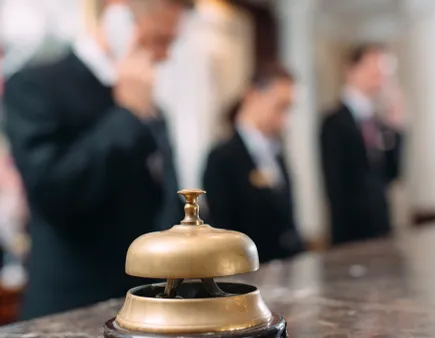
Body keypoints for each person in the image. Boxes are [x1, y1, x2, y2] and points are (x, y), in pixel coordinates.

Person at [2, 0, 193, 319]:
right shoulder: (34, 85)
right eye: (159, 40)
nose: (165, 55)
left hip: (147, 307)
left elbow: (163, 202)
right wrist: (127, 115)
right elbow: (55, 193)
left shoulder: (154, 108)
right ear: (119, 21)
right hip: (72, 310)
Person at [203, 64, 304, 263]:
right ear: (252, 96)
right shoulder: (223, 157)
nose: (285, 120)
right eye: (280, 106)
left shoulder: (276, 152)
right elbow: (225, 232)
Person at [320, 44, 404, 246]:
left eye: (383, 72)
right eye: (373, 70)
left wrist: (397, 129)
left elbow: (392, 174)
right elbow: (335, 186)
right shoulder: (334, 122)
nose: (379, 77)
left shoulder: (378, 121)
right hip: (351, 233)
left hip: (381, 227)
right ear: (352, 70)